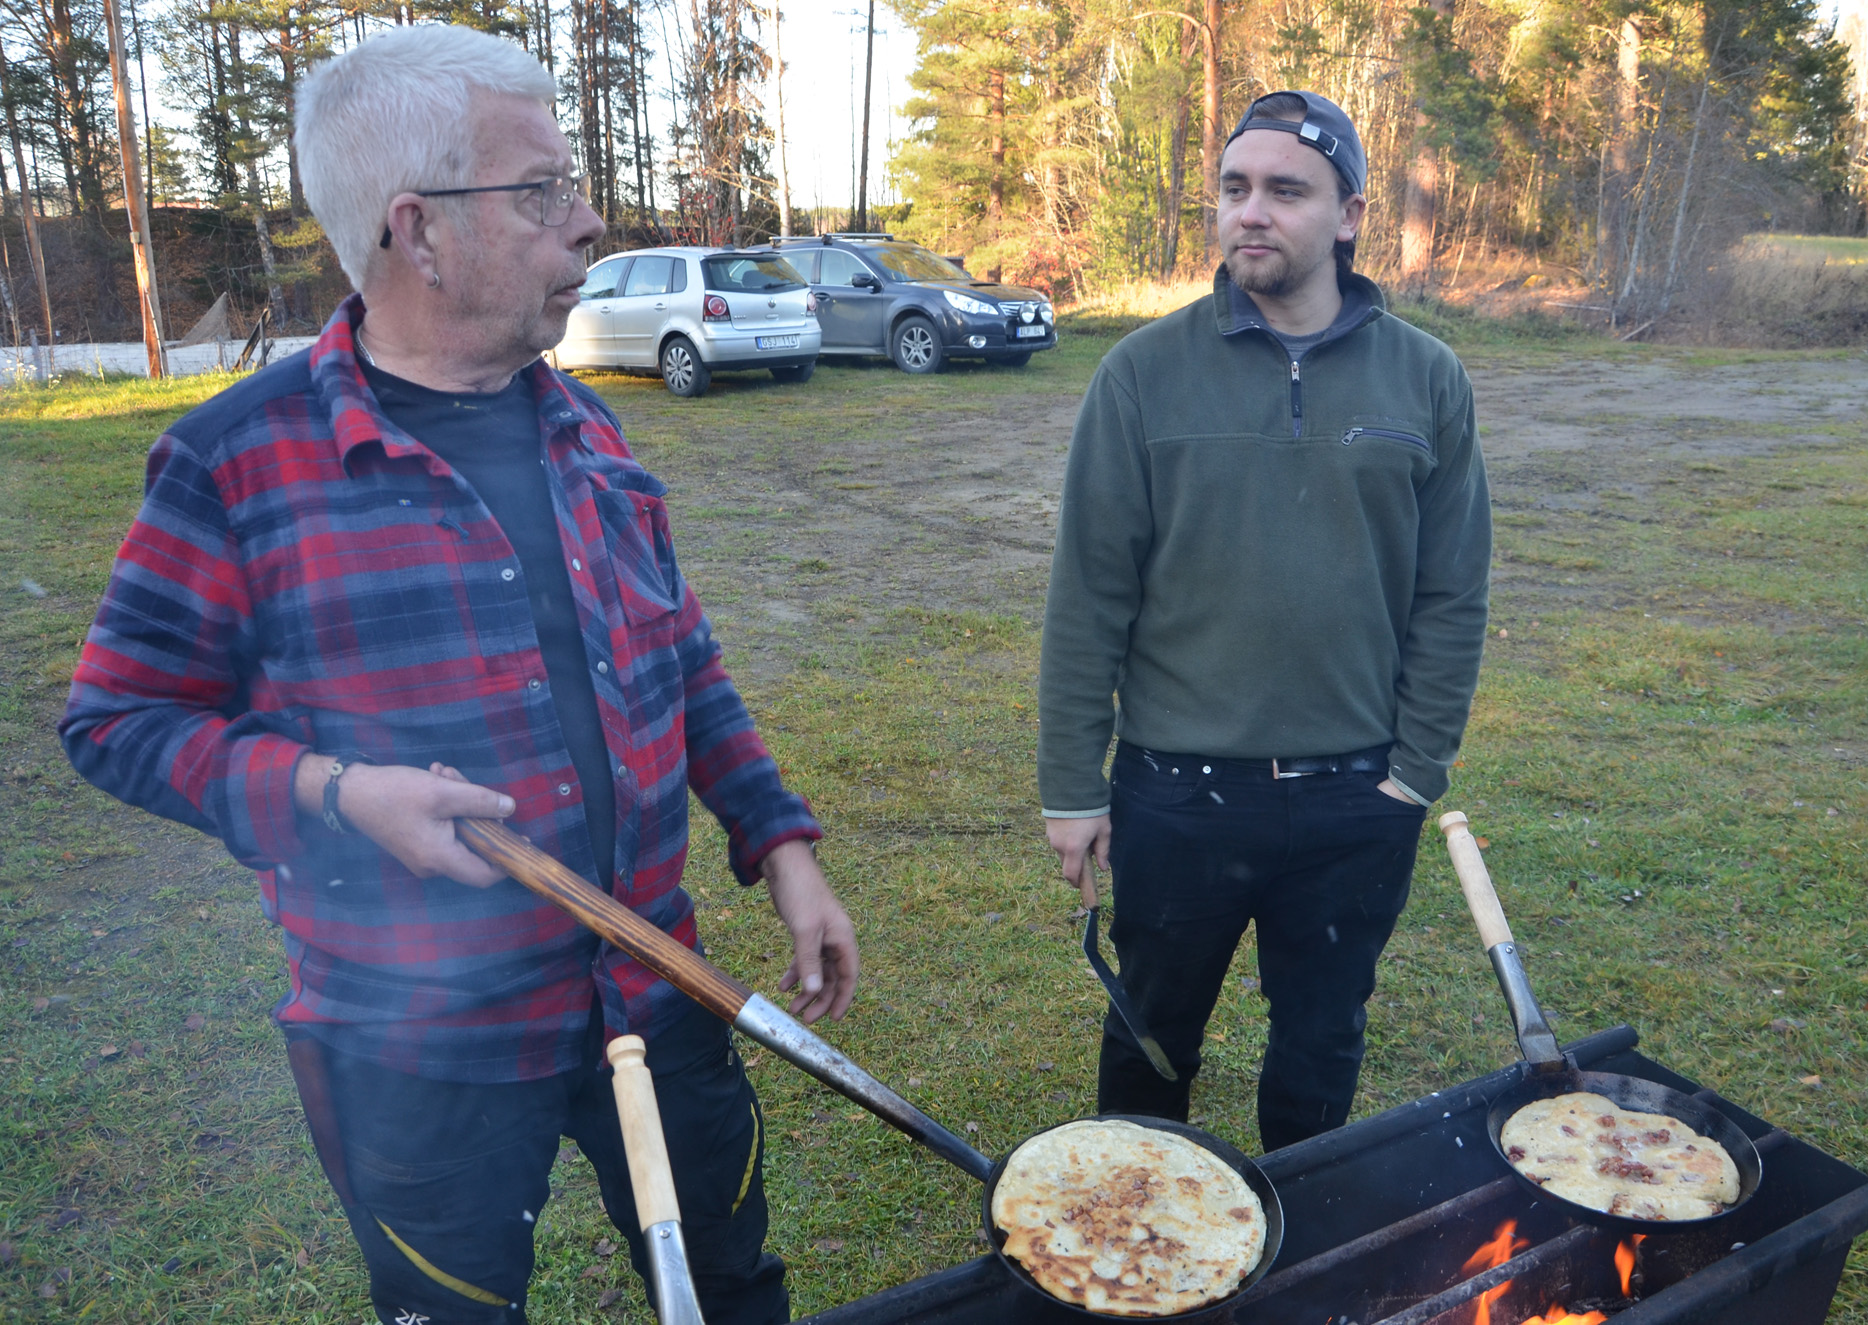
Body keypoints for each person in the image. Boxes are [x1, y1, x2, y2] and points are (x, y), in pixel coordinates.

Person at [59, 25, 855, 1325]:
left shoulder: (587, 427)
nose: (587, 223)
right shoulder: (233, 466)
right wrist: (333, 791)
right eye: (541, 193)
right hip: (417, 1047)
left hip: (658, 982)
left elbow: (680, 652)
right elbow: (117, 722)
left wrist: (781, 843)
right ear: (417, 231)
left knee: (731, 1288)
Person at [1036, 91, 1491, 1154]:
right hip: (1175, 794)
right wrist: (1070, 786)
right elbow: (1086, 594)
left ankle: (1304, 1254)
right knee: (1150, 1043)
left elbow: (1450, 593)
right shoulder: (1139, 375)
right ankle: (1138, 1254)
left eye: (1285, 190)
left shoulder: (1425, 377)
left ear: (1347, 215)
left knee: (1321, 1048)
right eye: (1234, 188)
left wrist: (1413, 772)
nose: (1251, 212)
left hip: (1354, 800)